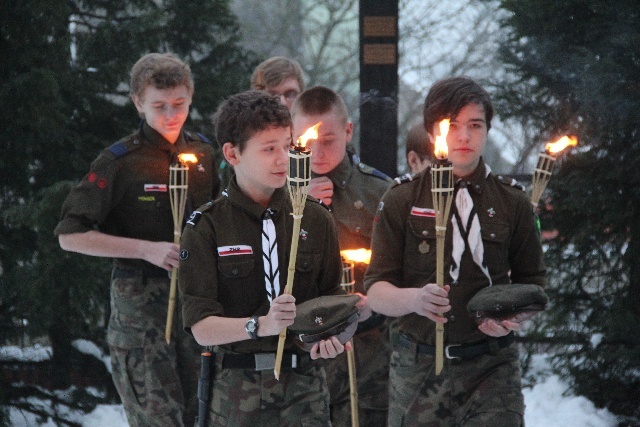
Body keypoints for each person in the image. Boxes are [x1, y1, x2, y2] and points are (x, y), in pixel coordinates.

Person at [178, 90, 371, 426]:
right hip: (237, 392)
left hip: (304, 391)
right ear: (232, 153)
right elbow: (201, 328)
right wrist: (261, 325)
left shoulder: (313, 218)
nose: (284, 159)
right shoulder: (207, 226)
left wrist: (336, 336)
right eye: (269, 149)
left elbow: (332, 301)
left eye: (287, 145)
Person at [364, 76, 547, 426]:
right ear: (433, 132)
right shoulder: (402, 199)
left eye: (475, 125)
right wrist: (413, 300)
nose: (463, 136)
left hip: (492, 368)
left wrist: (514, 318)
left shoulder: (512, 201)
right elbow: (376, 291)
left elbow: (534, 284)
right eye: (452, 125)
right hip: (419, 367)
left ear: (487, 130)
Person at [54, 52, 220, 427]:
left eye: (178, 104)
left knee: (205, 412)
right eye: (158, 106)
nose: (170, 114)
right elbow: (71, 236)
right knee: (157, 416)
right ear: (137, 103)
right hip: (142, 309)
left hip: (198, 304)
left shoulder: (205, 154)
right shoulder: (119, 162)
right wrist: (145, 249)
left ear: (191, 97)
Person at [291, 85, 392, 426]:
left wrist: (375, 300)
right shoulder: (274, 191)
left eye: (329, 140)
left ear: (348, 132)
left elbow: (400, 266)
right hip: (300, 350)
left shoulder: (380, 191)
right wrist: (295, 199)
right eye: (308, 140)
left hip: (368, 350)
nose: (318, 152)